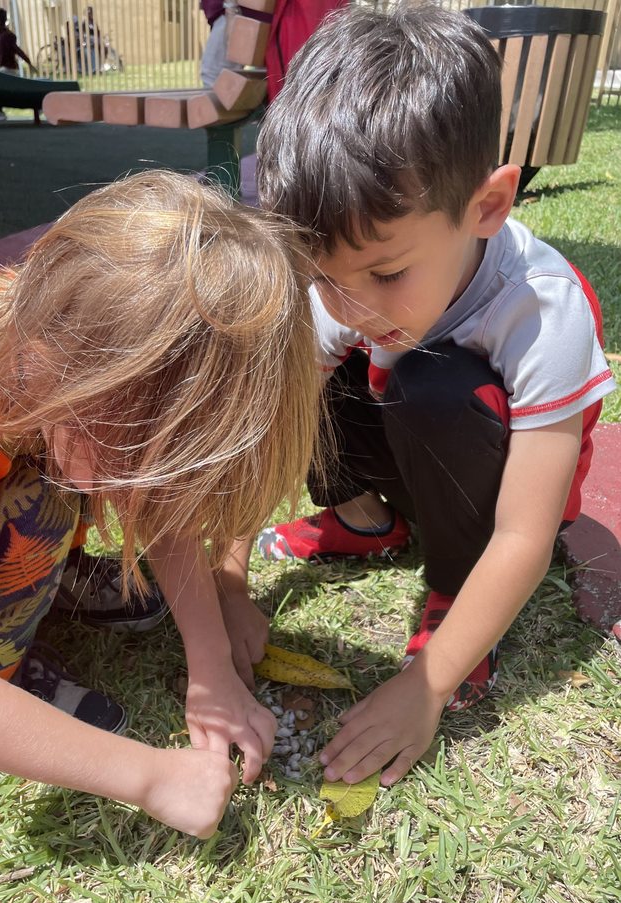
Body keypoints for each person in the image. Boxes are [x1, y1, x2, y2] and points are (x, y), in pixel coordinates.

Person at [226, 3, 617, 788]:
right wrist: (228, 578)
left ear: (487, 206)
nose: (349, 303)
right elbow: (271, 434)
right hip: (409, 450)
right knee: (300, 363)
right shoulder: (348, 286)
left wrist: (429, 684)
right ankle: (369, 520)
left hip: (497, 493)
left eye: (386, 273)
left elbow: (525, 533)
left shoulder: (541, 309)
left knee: (431, 382)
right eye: (323, 274)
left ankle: (453, 584)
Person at [0, 171, 322, 838]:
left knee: (64, 478)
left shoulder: (64, 337)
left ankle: (43, 580)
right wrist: (152, 777)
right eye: (136, 464)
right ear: (82, 384)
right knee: (42, 502)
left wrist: (211, 668)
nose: (149, 500)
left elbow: (157, 502)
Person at [0, 6, 34, 120]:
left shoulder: (6, 35)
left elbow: (16, 49)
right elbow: (6, 51)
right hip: (7, 69)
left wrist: (29, 62)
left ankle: (0, 113)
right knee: (9, 91)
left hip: (8, 69)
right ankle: (0, 111)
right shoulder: (2, 34)